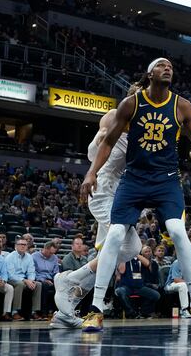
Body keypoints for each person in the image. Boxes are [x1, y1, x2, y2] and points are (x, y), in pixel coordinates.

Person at [79, 58, 191, 331]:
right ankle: (96, 307)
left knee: (178, 231)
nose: (167, 68)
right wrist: (91, 173)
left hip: (166, 180)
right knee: (115, 234)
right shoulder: (131, 104)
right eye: (161, 65)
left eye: (170, 66)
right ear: (149, 74)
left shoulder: (182, 106)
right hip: (134, 179)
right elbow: (108, 142)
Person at [53, 84, 144, 329]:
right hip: (102, 189)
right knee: (131, 246)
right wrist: (101, 139)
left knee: (116, 252)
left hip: (122, 193)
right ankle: (71, 281)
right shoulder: (114, 116)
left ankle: (65, 307)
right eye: (140, 95)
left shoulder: (144, 129)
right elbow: (93, 154)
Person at [5, 237, 42, 320]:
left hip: (25, 279)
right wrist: (25, 280)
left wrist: (31, 280)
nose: (23, 246)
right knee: (20, 284)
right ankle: (15, 312)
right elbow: (11, 275)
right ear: (16, 246)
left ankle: (34, 311)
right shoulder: (10, 257)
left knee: (38, 284)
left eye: (25, 245)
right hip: (11, 279)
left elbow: (31, 271)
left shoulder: (29, 257)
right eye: (20, 244)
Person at [115, 252, 161, 319]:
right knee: (120, 291)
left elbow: (147, 263)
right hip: (126, 286)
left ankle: (144, 312)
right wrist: (125, 256)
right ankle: (131, 313)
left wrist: (135, 253)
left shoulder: (139, 259)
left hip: (139, 287)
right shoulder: (123, 258)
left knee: (156, 295)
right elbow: (122, 271)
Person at [32, 241, 60, 317]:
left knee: (60, 286)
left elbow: (56, 272)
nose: (52, 255)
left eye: (53, 253)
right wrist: (43, 280)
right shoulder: (34, 256)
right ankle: (43, 312)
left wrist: (57, 279)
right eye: (50, 253)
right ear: (45, 249)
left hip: (51, 279)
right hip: (39, 279)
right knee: (45, 285)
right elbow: (33, 272)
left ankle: (56, 312)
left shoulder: (54, 257)